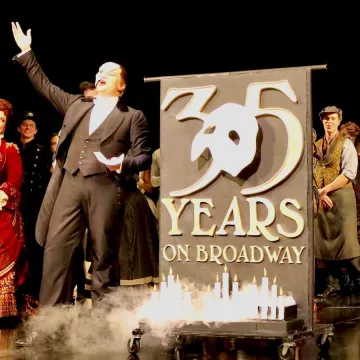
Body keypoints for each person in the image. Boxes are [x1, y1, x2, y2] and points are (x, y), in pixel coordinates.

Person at [11, 22, 152, 309]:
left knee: (103, 253)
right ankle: (52, 321)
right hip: (71, 183)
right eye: (99, 71)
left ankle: (102, 323)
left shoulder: (132, 116)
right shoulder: (77, 105)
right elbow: (46, 87)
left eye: (109, 73)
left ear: (121, 85)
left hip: (105, 187)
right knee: (56, 249)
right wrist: (27, 52)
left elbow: (144, 156)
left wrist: (122, 163)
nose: (101, 75)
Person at [314, 106, 360, 298]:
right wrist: (320, 194)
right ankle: (333, 284)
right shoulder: (316, 145)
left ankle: (358, 278)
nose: (329, 122)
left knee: (348, 243)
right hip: (322, 200)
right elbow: (311, 170)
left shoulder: (345, 144)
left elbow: (349, 172)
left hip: (341, 198)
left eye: (332, 118)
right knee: (323, 243)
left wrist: (326, 189)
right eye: (326, 119)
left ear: (338, 121)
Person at [0, 99, 38, 327]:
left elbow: (14, 181)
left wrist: (2, 195)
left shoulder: (10, 150)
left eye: (2, 119)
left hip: (2, 212)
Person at [15, 111, 50, 300]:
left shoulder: (41, 151)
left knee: (33, 245)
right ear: (19, 128)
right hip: (13, 204)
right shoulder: (11, 148)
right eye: (25, 124)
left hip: (33, 206)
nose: (27, 128)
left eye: (31, 126)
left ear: (36, 131)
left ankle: (34, 290)